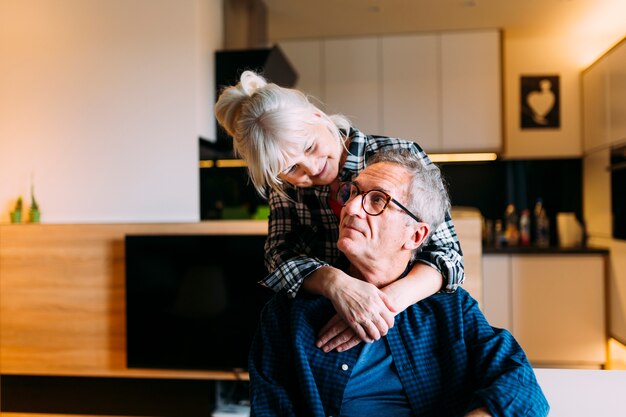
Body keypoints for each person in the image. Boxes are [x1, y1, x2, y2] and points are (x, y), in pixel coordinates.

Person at [249, 149, 550, 417]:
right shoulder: (288, 314)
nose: (351, 209)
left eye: (377, 200)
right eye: (351, 194)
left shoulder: (452, 310)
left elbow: (523, 388)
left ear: (416, 235)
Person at [215, 71, 464, 350]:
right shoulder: (286, 190)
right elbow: (278, 257)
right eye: (291, 169)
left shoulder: (397, 155)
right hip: (325, 320)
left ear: (318, 116)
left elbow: (449, 257)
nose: (311, 168)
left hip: (406, 314)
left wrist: (378, 306)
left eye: (310, 147)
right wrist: (336, 284)